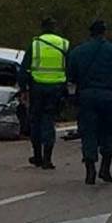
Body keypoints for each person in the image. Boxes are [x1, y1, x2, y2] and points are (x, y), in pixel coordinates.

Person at [67, 20, 112, 185]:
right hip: (109, 96)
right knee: (108, 132)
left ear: (90, 33)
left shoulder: (79, 52)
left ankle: (90, 170)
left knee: (88, 133)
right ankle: (105, 168)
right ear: (104, 32)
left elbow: (70, 75)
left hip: (86, 97)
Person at [19, 17, 70, 169]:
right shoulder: (63, 43)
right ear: (54, 28)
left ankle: (38, 155)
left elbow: (24, 68)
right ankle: (48, 158)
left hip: (38, 87)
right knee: (49, 121)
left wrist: (23, 89)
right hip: (56, 88)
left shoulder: (35, 44)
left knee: (35, 121)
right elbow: (71, 66)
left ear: (42, 28)